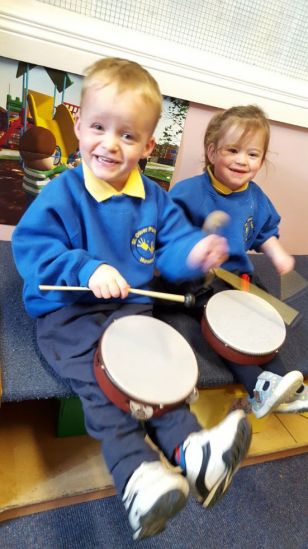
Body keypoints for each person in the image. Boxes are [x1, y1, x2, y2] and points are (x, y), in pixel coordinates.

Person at [12, 58, 252, 541]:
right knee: (104, 383)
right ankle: (137, 475)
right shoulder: (62, 193)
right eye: (99, 127)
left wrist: (196, 253)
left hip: (129, 308)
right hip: (68, 311)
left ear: (146, 145)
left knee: (155, 377)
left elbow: (174, 245)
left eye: (127, 136)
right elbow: (33, 248)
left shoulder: (155, 200)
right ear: (78, 125)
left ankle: (193, 454)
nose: (109, 143)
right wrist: (87, 268)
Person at [169, 104, 307, 418]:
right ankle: (258, 387)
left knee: (263, 323)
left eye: (253, 154)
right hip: (200, 279)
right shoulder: (188, 193)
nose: (242, 160)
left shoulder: (256, 197)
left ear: (261, 160)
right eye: (233, 150)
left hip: (239, 278)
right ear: (212, 151)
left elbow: (264, 232)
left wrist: (277, 253)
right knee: (229, 331)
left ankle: (285, 384)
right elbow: (168, 236)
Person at [19, 126, 67, 206]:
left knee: (30, 203)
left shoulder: (27, 168)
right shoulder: (40, 174)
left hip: (28, 191)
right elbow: (53, 171)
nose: (55, 158)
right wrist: (62, 168)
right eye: (54, 155)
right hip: (40, 196)